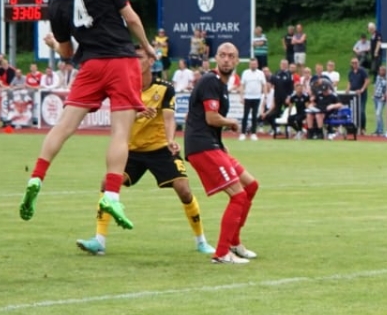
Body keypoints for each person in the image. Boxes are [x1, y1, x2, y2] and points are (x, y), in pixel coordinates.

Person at [20, 0, 158, 228]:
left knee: (63, 126)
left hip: (91, 66)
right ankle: (112, 195)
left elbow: (67, 53)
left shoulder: (56, 4)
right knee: (120, 134)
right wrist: (146, 46)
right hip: (121, 61)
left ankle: (37, 177)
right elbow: (131, 18)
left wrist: (53, 45)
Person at [77, 57, 211, 256]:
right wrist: (137, 115)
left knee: (184, 190)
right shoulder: (124, 88)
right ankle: (99, 241)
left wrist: (170, 140)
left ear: (150, 61)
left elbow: (169, 119)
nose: (134, 62)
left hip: (160, 149)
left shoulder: (164, 88)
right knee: (106, 184)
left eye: (139, 58)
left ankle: (201, 241)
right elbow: (118, 121)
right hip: (132, 151)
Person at [183, 42, 262, 263]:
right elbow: (211, 118)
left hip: (212, 144)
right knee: (238, 195)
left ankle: (234, 242)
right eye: (223, 55)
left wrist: (220, 143)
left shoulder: (220, 84)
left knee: (251, 186)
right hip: (202, 147)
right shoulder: (211, 81)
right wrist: (231, 122)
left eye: (231, 56)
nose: (227, 59)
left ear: (237, 60)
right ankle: (222, 253)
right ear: (216, 58)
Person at [238, 57, 269, 140]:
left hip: (257, 97)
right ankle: (243, 133)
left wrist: (265, 96)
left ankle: (253, 133)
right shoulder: (245, 73)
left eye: (255, 64)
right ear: (249, 65)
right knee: (245, 115)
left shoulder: (260, 73)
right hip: (247, 97)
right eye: (252, 64)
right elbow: (242, 85)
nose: (253, 65)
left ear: (257, 64)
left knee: (254, 116)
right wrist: (241, 96)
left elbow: (264, 85)